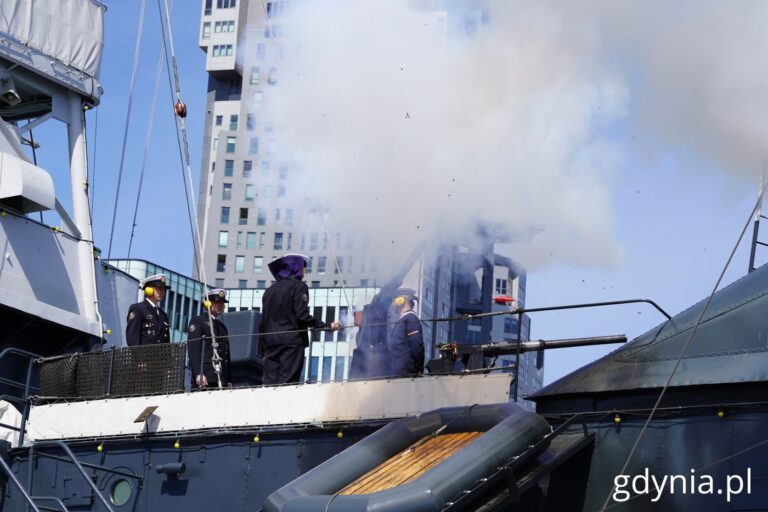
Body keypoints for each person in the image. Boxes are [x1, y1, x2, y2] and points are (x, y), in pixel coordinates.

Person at [260, 253, 340, 385]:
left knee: (270, 384)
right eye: (304, 267)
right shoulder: (299, 286)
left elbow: (263, 322)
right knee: (288, 383)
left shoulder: (269, 291)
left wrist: (263, 349)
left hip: (271, 344)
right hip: (291, 343)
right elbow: (301, 315)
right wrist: (326, 326)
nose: (305, 272)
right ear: (295, 267)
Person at [187, 289, 232, 389]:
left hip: (222, 379)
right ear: (208, 303)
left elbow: (226, 357)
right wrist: (199, 373)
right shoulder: (198, 321)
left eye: (222, 303)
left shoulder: (222, 327)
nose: (220, 305)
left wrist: (228, 380)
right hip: (206, 377)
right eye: (217, 302)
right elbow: (193, 350)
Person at [387, 287, 425, 377]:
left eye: (395, 300)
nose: (393, 303)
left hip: (406, 373)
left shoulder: (411, 318)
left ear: (401, 300)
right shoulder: (403, 320)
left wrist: (418, 370)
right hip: (399, 372)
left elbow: (416, 346)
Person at [126, 274, 171, 346]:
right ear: (148, 290)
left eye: (164, 289)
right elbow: (132, 339)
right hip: (143, 356)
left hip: (161, 357)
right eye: (159, 288)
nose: (162, 291)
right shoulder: (138, 309)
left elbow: (167, 344)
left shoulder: (163, 315)